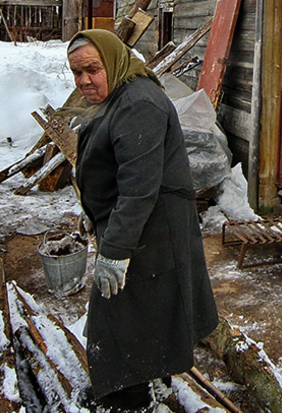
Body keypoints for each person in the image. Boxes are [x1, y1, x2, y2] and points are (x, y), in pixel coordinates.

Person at [65, 29, 219, 413]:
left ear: (112, 61)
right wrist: (93, 216)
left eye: (92, 70)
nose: (84, 81)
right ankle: (147, 380)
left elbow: (139, 187)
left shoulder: (139, 104)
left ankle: (127, 399)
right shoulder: (116, 95)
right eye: (76, 73)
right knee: (145, 312)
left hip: (151, 230)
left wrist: (115, 250)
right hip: (134, 226)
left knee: (126, 316)